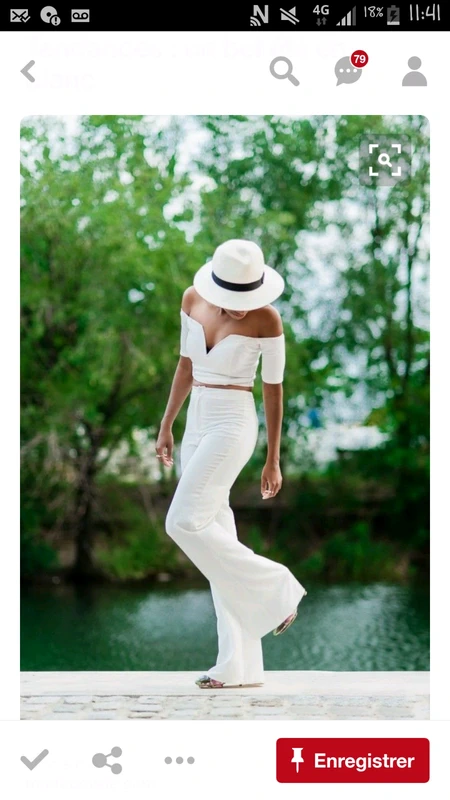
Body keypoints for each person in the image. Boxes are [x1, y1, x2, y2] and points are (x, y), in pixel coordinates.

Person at [156, 239, 307, 688]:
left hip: (233, 422)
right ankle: (236, 667)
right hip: (196, 421)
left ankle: (278, 586)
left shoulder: (268, 318)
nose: (243, 307)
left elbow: (273, 389)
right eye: (234, 297)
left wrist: (273, 458)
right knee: (215, 537)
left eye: (249, 296)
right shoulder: (191, 300)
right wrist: (167, 424)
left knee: (181, 522)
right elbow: (185, 366)